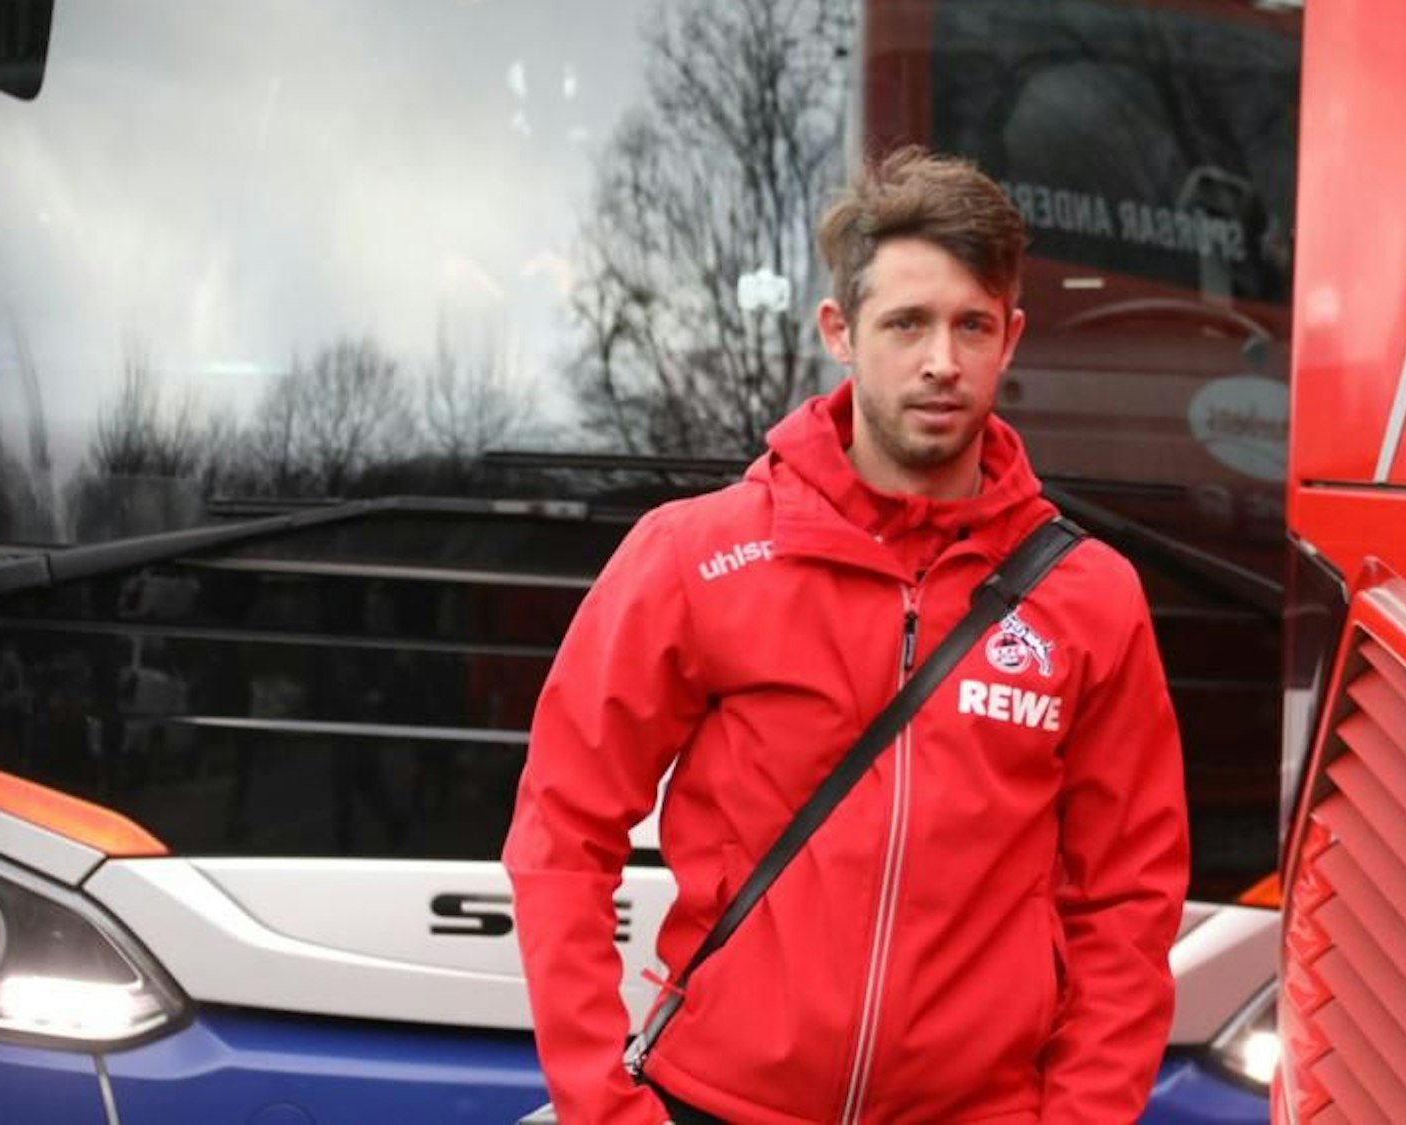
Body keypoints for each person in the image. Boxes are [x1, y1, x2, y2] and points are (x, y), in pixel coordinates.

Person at [503, 146, 1189, 1124]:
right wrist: (599, 1102)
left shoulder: (1089, 598)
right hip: (715, 1104)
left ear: (1011, 339)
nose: (940, 361)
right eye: (905, 323)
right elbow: (560, 835)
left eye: (971, 326)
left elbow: (1126, 901)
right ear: (840, 330)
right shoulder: (692, 556)